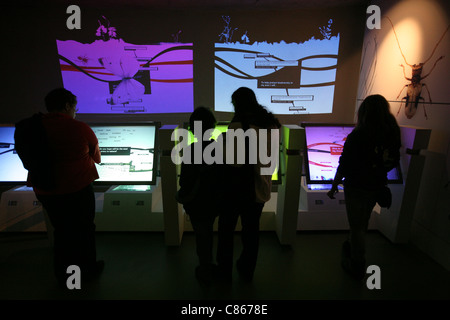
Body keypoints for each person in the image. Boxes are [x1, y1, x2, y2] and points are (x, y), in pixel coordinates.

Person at [14, 88, 103, 287]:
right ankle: (84, 274)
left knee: (62, 232)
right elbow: (96, 157)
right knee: (83, 232)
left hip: (46, 190)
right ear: (67, 106)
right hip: (77, 190)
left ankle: (65, 277)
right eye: (75, 108)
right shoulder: (79, 128)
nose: (75, 112)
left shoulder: (31, 128)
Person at [327, 94, 401, 280]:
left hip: (356, 185)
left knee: (357, 226)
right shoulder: (391, 132)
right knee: (363, 221)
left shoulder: (359, 134)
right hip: (376, 185)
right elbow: (393, 161)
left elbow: (344, 162)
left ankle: (357, 263)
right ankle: (352, 247)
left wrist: (335, 183)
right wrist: (377, 170)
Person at [216, 87, 281, 282]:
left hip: (237, 189)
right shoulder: (272, 123)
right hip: (260, 188)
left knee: (226, 230)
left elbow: (232, 160)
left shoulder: (238, 125)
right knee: (251, 232)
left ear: (237, 104)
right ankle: (247, 269)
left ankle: (224, 271)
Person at [176, 106, 221, 284]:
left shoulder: (190, 150)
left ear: (193, 129)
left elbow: (185, 181)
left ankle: (205, 266)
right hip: (213, 202)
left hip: (195, 202)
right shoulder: (218, 149)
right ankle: (209, 265)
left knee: (201, 235)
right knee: (208, 233)